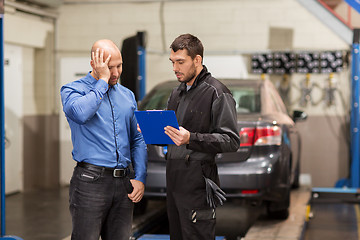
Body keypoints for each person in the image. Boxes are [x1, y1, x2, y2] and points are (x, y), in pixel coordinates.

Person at [60, 39, 147, 240]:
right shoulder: (72, 90)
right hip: (91, 182)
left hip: (124, 182)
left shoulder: (127, 96)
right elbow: (81, 114)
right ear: (94, 65)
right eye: (109, 67)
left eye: (119, 66)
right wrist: (102, 82)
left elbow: (137, 139)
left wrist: (140, 177)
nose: (115, 73)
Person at [164, 34, 241, 240]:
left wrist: (191, 138)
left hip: (198, 182)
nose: (175, 68)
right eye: (173, 62)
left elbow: (231, 141)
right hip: (174, 179)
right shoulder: (176, 93)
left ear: (197, 60)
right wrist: (151, 130)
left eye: (181, 62)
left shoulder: (217, 93)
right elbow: (173, 136)